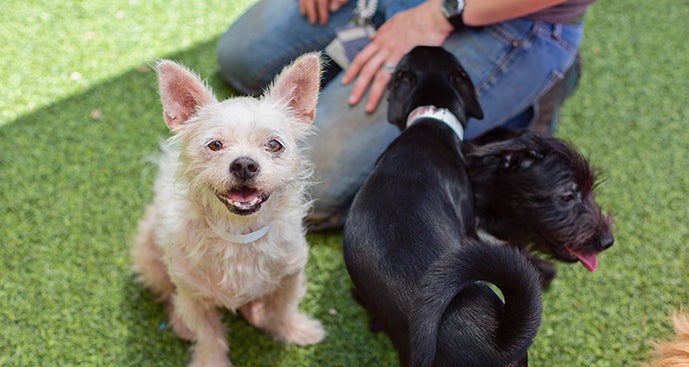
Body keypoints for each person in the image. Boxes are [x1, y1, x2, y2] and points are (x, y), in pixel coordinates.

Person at [217, 0, 595, 230]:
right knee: (239, 60)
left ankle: (537, 83)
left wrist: (442, 12)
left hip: (504, 18)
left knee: (309, 186)